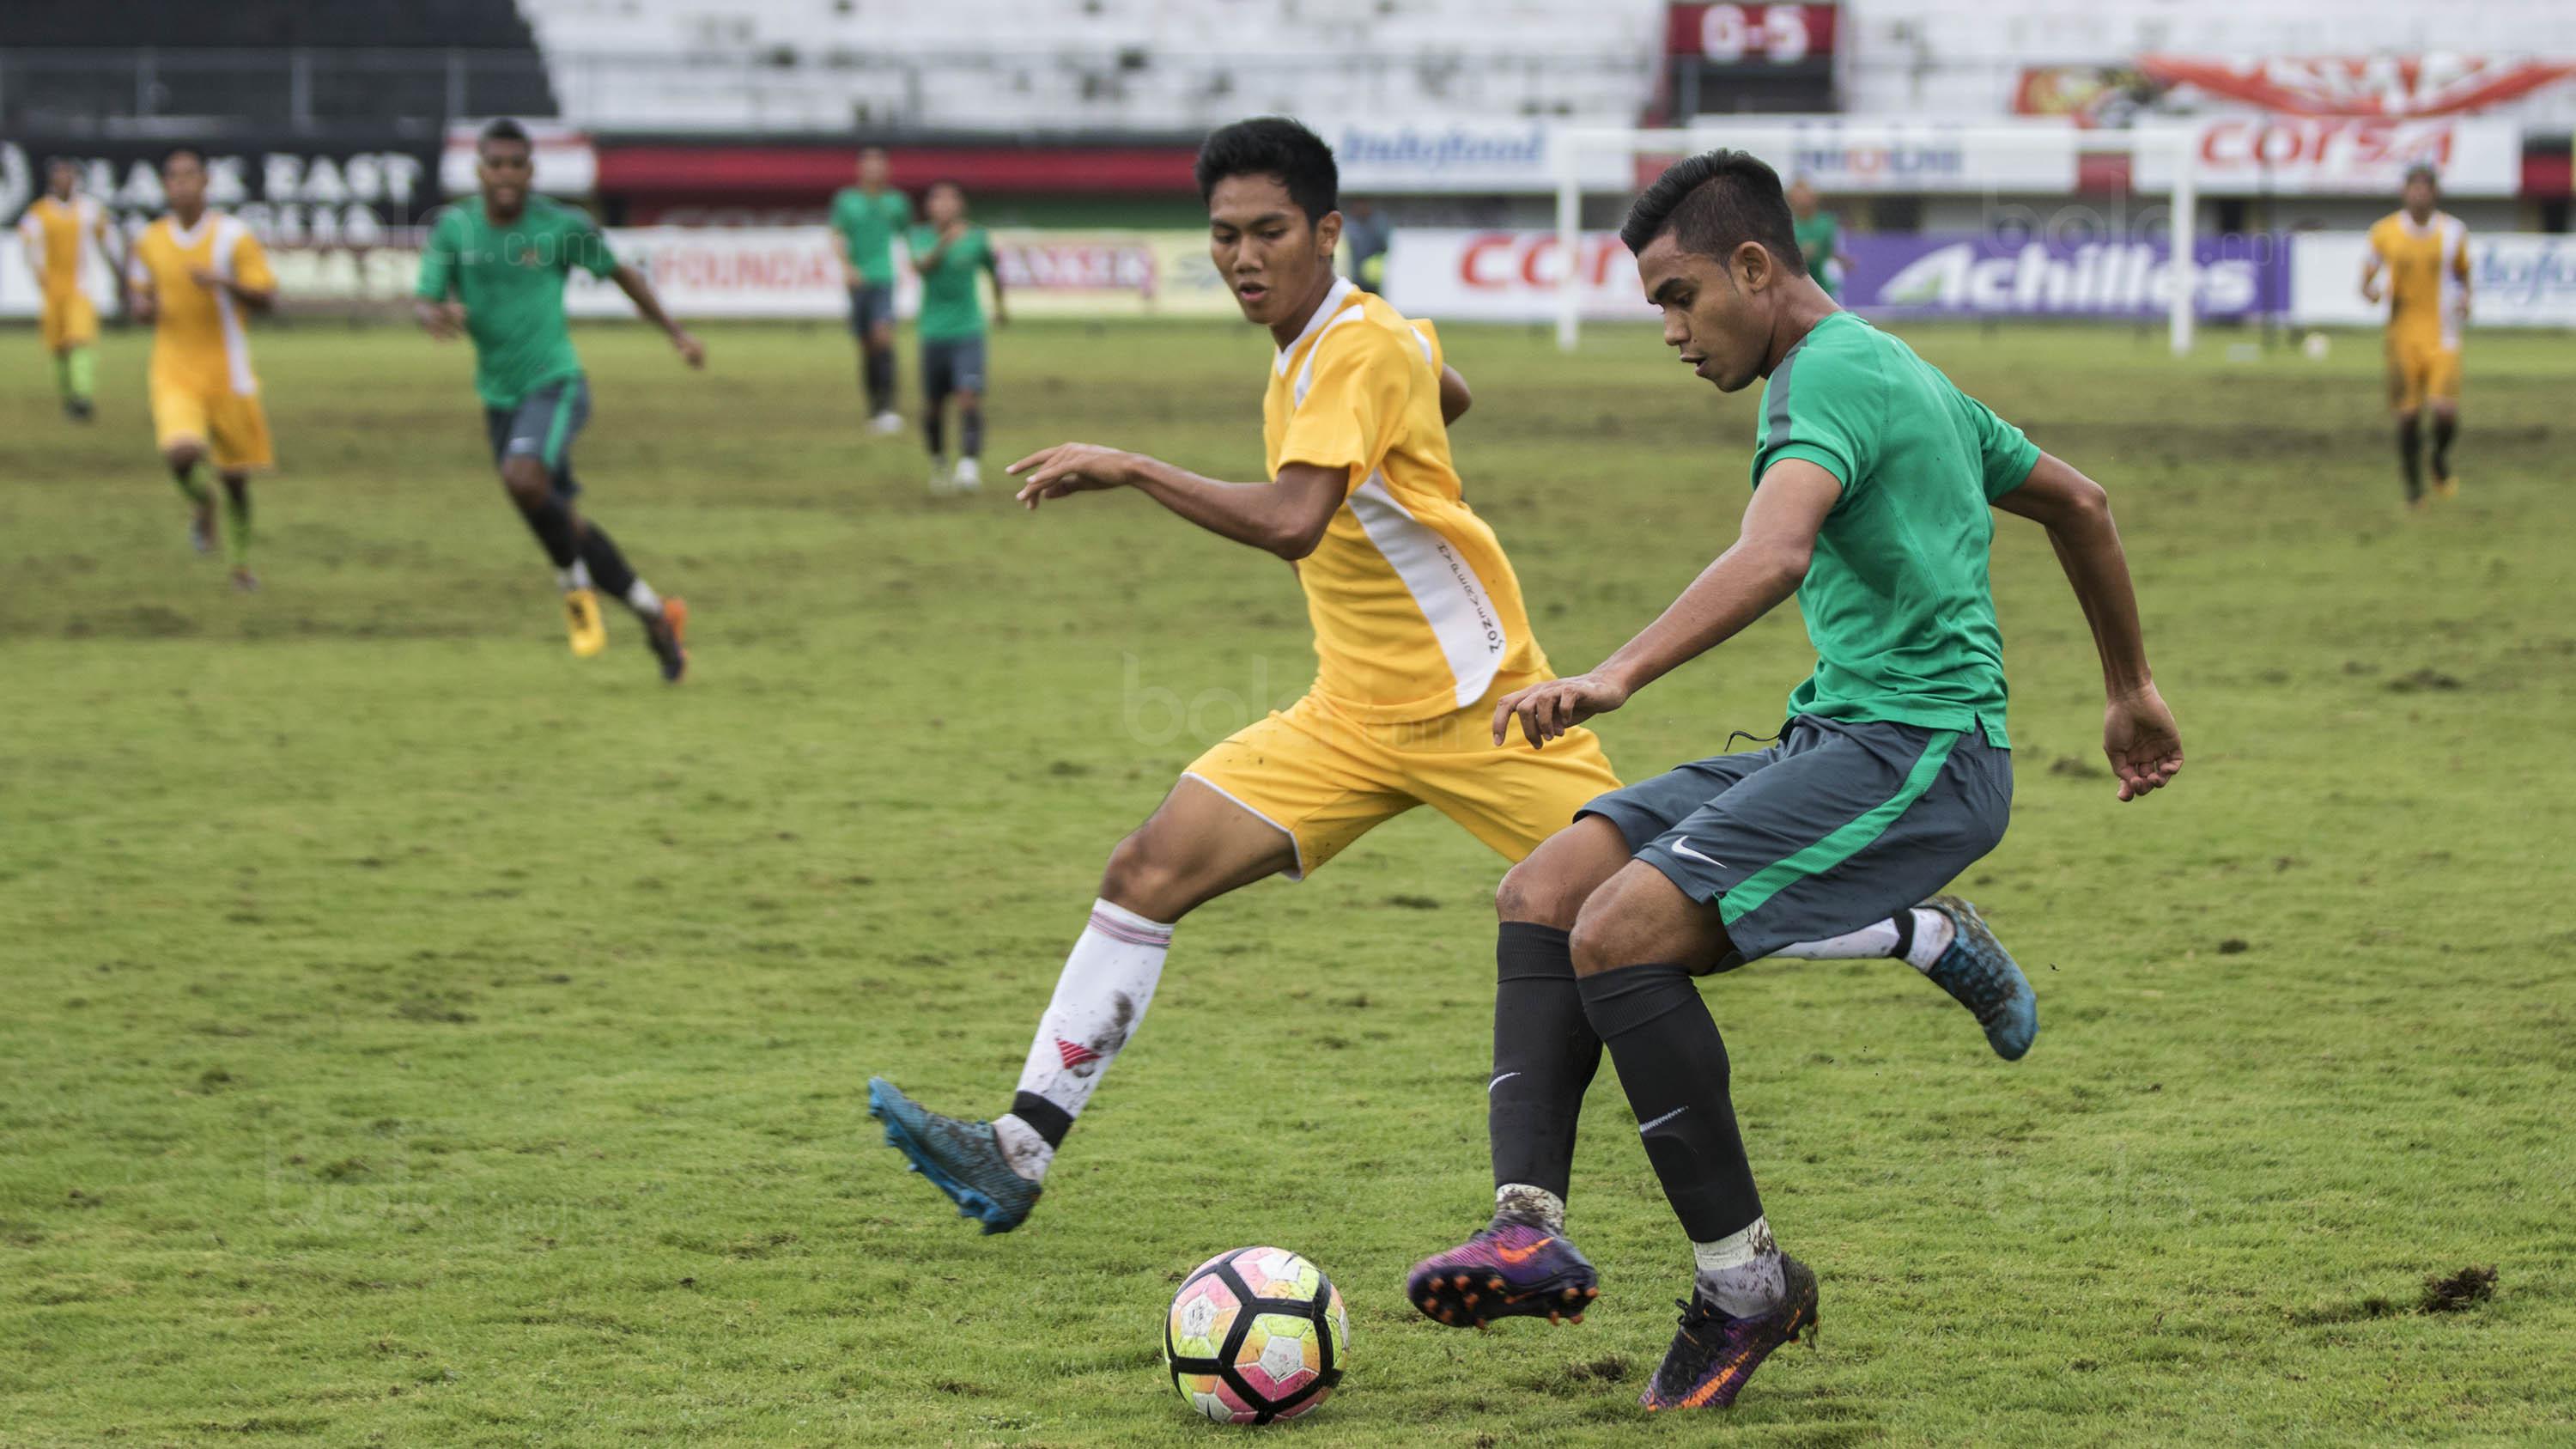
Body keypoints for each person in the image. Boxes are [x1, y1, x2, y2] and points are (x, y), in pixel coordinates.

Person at [1405, 150, 2184, 1412]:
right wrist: (2129, 684)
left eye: (1678, 295)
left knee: (1621, 937)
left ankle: (1744, 1283)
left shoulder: (1817, 380)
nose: (1669, 329)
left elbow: (1772, 554)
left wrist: (1614, 676)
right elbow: (2082, 504)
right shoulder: (1901, 369)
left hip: (1922, 753)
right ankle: (1525, 1223)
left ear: (1755, 268)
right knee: (1543, 889)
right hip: (1836, 738)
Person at [866, 117, 1624, 1235]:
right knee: (1147, 866)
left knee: (1659, 898)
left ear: (1328, 230)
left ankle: (1917, 929)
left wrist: (1129, 464)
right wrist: (1408, 428)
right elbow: (1442, 383)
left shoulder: (1356, 345)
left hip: (1486, 708)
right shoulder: (1351, 341)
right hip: (1348, 716)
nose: (1243, 256)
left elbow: (1291, 521)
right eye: (1224, 235)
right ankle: (1015, 1151)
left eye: (1270, 231)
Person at [415, 118, 702, 681]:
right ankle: (656, 615)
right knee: (555, 515)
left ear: (530, 171)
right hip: (499, 397)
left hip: (556, 383)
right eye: (494, 164)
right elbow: (425, 297)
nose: (505, 175)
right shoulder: (454, 229)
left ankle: (574, 591)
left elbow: (622, 274)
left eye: (515, 165)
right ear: (479, 171)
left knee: (523, 480)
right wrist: (436, 315)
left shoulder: (558, 227)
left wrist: (675, 332)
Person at [127, 149, 276, 590]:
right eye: (173, 178)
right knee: (181, 455)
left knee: (236, 482)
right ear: (165, 186)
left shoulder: (233, 237)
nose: (182, 185)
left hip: (229, 375)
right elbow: (139, 299)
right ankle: (200, 502)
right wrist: (142, 306)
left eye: (190, 176)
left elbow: (267, 299)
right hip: (173, 371)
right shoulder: (150, 240)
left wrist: (223, 282)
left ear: (206, 182)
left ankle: (241, 565)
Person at [2362, 163, 2470, 508]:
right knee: (2408, 418)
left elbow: (2464, 275)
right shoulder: (2384, 232)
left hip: (2443, 337)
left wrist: (2467, 298)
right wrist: (2370, 291)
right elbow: (2366, 277)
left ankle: (2438, 457)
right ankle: (2413, 489)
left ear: (2435, 193)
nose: (2420, 193)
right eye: (2414, 187)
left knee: (2444, 413)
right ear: (2404, 192)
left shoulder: (2454, 232)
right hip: (2402, 339)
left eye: (2426, 187)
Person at [908, 181, 1006, 494]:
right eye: (938, 200)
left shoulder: (977, 238)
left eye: (952, 200)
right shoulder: (919, 236)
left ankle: (969, 465)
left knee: (968, 396)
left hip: (968, 330)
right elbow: (922, 268)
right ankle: (939, 462)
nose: (945, 205)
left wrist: (1000, 306)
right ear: (929, 207)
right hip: (933, 332)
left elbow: (993, 270)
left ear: (961, 206)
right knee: (934, 406)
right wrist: (944, 243)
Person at [18, 158, 119, 422]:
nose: (65, 179)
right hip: (52, 292)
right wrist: (37, 273)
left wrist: (118, 275)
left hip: (80, 289)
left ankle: (83, 396)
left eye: (69, 174)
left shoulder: (89, 210)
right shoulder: (38, 212)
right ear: (52, 179)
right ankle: (69, 397)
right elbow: (28, 249)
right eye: (60, 174)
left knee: (80, 340)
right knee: (59, 348)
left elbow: (106, 243)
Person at [829, 146, 911, 435]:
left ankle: (888, 408)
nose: (874, 170)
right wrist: (847, 267)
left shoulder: (897, 202)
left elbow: (908, 234)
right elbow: (837, 236)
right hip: (858, 281)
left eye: (879, 165)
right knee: (866, 346)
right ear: (860, 169)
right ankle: (874, 408)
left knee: (883, 337)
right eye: (869, 165)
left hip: (884, 277)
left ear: (887, 169)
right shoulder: (847, 200)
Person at [1785, 178, 1850, 301]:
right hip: (1795, 282)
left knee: (1832, 269)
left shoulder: (1828, 223)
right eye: (1798, 195)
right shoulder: (1784, 224)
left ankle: (1835, 307)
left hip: (1823, 283)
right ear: (1791, 198)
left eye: (1805, 194)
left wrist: (1843, 262)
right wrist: (1800, 255)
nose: (1802, 199)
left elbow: (1835, 253)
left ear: (1814, 197)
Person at [1341, 196, 1390, 290]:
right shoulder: (1350, 226)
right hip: (1354, 276)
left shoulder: (1377, 225)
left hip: (1372, 278)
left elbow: (1384, 247)